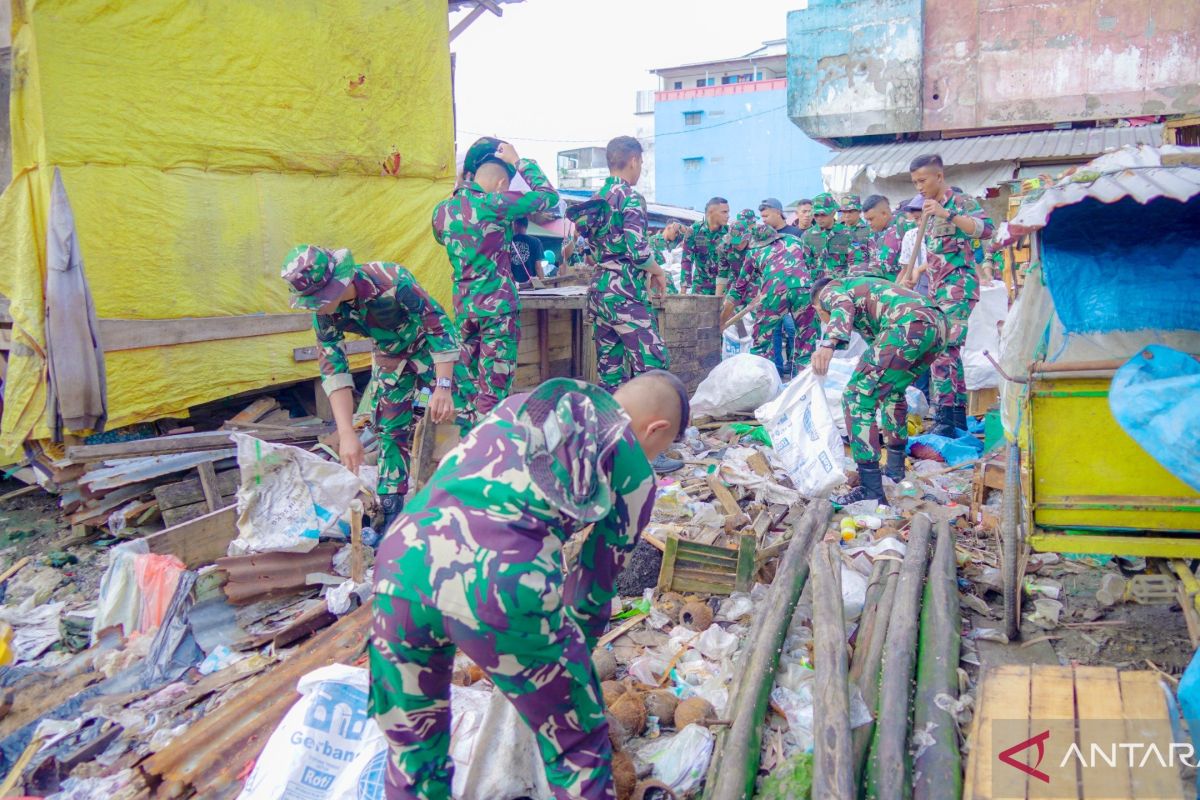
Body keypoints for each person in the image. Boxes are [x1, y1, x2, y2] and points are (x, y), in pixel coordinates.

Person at [370, 372, 689, 800]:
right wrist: (566, 673)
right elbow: (590, 594)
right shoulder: (632, 465)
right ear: (657, 429)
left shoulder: (526, 402)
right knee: (576, 746)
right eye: (661, 449)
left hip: (398, 565)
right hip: (499, 583)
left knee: (415, 755)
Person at [282, 245, 460, 530]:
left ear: (337, 284)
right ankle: (391, 515)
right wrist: (346, 433)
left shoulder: (391, 280)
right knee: (389, 429)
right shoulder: (325, 314)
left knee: (457, 414)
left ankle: (466, 494)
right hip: (390, 356)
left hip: (430, 349)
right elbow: (334, 370)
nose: (314, 306)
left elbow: (438, 327)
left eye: (317, 298)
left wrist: (443, 386)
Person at [432, 137, 559, 428]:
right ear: (502, 184)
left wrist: (460, 187)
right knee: (493, 393)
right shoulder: (496, 204)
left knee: (465, 389)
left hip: (464, 312)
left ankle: (466, 452)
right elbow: (549, 197)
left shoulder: (441, 212)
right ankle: (489, 456)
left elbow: (442, 236)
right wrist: (519, 162)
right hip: (497, 314)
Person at [809, 276, 947, 506]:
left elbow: (841, 305)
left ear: (817, 307)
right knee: (892, 393)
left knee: (856, 396)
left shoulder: (829, 291)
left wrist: (828, 345)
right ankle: (895, 471)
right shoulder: (862, 289)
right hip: (937, 324)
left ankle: (870, 488)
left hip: (908, 323)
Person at [904, 154, 993, 436]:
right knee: (946, 352)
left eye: (923, 180)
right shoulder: (927, 213)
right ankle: (954, 418)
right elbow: (936, 255)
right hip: (936, 289)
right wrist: (915, 272)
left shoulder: (960, 203)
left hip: (959, 288)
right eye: (914, 182)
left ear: (939, 177)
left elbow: (986, 230)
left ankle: (945, 417)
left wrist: (949, 214)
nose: (919, 187)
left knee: (943, 350)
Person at [721, 220, 816, 369]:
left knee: (761, 345)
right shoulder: (795, 241)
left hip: (773, 293)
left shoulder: (753, 252)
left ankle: (760, 382)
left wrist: (721, 321)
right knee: (806, 342)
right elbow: (811, 265)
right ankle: (804, 387)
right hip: (804, 290)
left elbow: (738, 289)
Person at [801, 192, 870, 281]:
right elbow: (804, 265)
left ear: (833, 213)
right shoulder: (807, 236)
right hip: (818, 286)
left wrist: (848, 281)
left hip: (842, 285)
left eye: (823, 214)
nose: (819, 218)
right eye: (816, 215)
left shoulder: (847, 234)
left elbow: (857, 261)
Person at [672, 196, 731, 295]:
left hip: (723, 288)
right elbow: (687, 260)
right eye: (724, 212)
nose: (728, 215)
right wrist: (683, 291)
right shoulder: (694, 231)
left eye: (728, 212)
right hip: (701, 287)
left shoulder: (729, 233)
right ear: (711, 212)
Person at [860, 194, 912, 280]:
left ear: (884, 214)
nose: (869, 223)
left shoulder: (903, 225)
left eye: (871, 219)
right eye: (867, 220)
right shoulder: (875, 233)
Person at [510, 218, 544, 285]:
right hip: (531, 284)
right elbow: (538, 266)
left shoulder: (508, 242)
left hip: (513, 286)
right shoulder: (536, 242)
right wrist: (542, 284)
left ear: (516, 224)